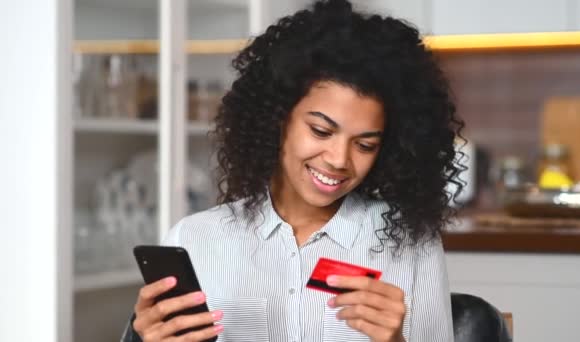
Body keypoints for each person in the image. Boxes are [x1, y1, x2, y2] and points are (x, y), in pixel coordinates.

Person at [122, 0, 464, 341]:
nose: (339, 159)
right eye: (321, 131)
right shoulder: (197, 239)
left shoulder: (410, 244)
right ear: (278, 119)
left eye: (365, 145)